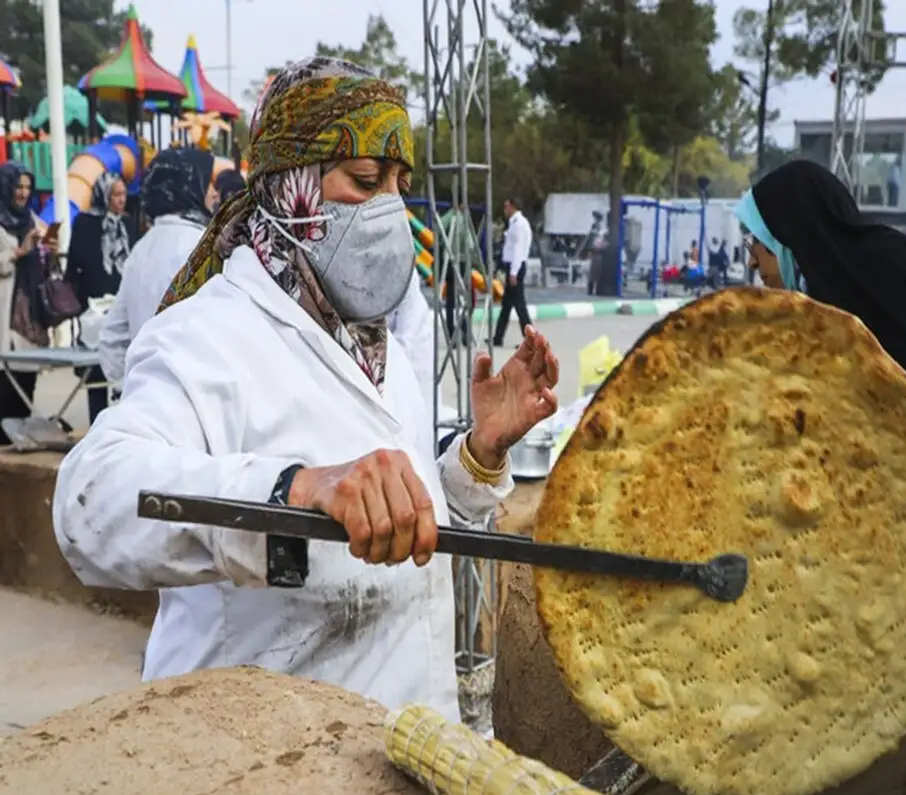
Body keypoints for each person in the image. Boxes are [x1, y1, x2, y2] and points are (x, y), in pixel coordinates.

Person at [53, 57, 559, 720]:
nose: (389, 209)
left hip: (396, 739)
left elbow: (407, 516)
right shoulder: (207, 337)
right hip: (262, 755)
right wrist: (293, 489)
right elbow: (89, 502)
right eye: (365, 180)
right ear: (291, 183)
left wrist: (475, 457)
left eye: (399, 184)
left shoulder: (378, 349)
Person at [734, 159, 906, 442]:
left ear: (785, 230)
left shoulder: (880, 269)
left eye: (756, 242)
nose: (751, 261)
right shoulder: (818, 293)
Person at [96, 148, 217, 387]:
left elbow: (112, 336)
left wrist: (129, 388)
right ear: (189, 188)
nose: (214, 194)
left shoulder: (141, 249)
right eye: (207, 184)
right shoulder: (203, 248)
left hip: (148, 401)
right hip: (194, 399)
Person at [66, 172, 137, 422]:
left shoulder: (128, 224)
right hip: (93, 308)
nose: (121, 200)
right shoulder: (85, 223)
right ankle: (96, 422)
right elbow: (76, 263)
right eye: (115, 195)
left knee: (124, 370)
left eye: (123, 195)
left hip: (121, 304)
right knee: (95, 373)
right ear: (104, 195)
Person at [0, 162, 59, 444]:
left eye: (27, 187)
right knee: (5, 386)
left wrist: (50, 250)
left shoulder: (34, 221)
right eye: (17, 187)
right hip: (5, 313)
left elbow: (46, 266)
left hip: (29, 318)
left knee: (26, 384)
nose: (22, 193)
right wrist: (19, 251)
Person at [492, 196, 533, 347]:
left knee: (519, 305)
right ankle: (497, 337)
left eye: (506, 206)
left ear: (513, 207)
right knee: (507, 305)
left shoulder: (518, 224)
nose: (505, 209)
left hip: (515, 268)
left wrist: (513, 272)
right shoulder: (515, 223)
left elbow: (518, 250)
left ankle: (531, 340)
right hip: (512, 267)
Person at [438, 203, 477, 344]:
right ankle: (465, 332)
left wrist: (444, 244)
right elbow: (471, 244)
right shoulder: (459, 217)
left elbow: (438, 229)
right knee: (464, 300)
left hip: (450, 260)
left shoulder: (450, 217)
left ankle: (452, 335)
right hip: (460, 261)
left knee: (451, 300)